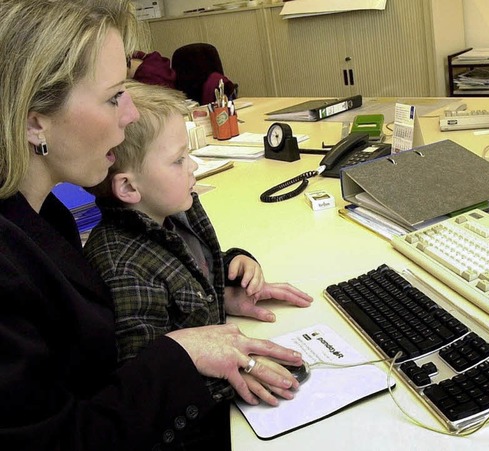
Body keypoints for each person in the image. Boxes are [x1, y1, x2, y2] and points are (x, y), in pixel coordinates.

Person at [0, 1, 310, 449]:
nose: (128, 114)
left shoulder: (44, 215)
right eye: (112, 97)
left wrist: (201, 292)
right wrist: (181, 355)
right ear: (35, 123)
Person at [83, 79, 313, 408]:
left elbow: (192, 267)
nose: (193, 166)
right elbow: (146, 377)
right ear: (130, 189)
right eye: (179, 160)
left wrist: (234, 268)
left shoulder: (169, 214)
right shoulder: (124, 268)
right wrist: (230, 377)